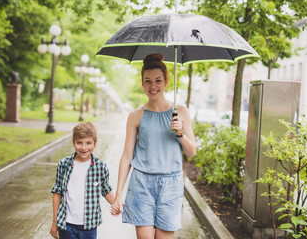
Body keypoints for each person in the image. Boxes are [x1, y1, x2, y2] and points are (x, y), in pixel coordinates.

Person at [111, 53, 197, 239]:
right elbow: (127, 156)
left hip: (170, 185)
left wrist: (180, 133)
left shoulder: (180, 112)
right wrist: (118, 194)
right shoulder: (135, 116)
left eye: (158, 80)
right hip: (141, 184)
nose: (153, 86)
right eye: (147, 81)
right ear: (142, 83)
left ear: (166, 81)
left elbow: (191, 152)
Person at [50, 122, 115, 239]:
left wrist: (117, 203)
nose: (84, 147)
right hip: (66, 224)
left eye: (88, 143)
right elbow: (57, 193)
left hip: (89, 226)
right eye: (79, 143)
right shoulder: (64, 165)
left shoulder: (100, 167)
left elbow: (106, 190)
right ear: (73, 143)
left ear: (95, 144)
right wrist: (55, 222)